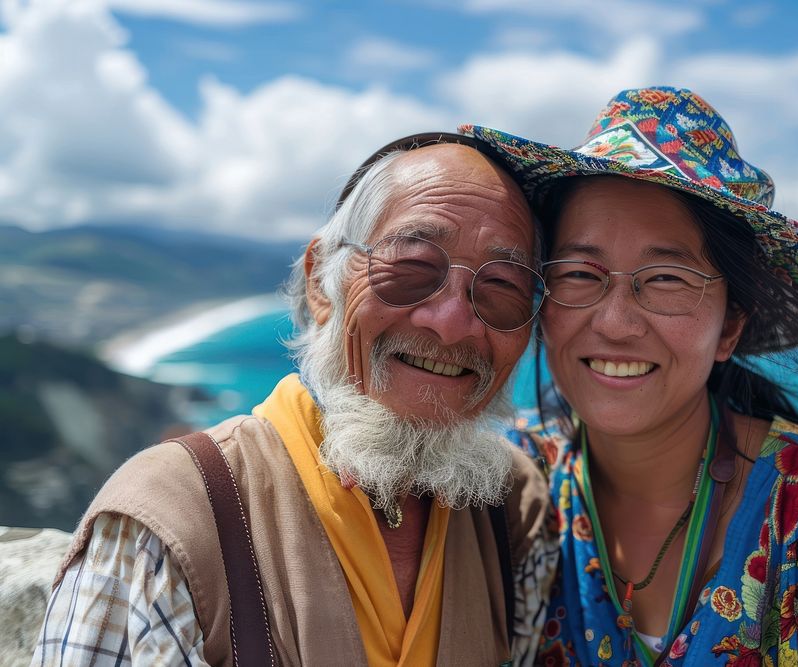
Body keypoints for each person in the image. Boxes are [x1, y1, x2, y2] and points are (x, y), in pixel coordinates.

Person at [460, 87, 798, 666]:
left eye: (667, 279)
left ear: (730, 326)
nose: (617, 322)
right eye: (580, 273)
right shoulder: (505, 491)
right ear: (542, 301)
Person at [32, 135, 558, 666]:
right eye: (413, 267)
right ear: (321, 283)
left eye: (502, 288)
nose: (449, 326)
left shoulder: (514, 515)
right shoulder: (168, 525)